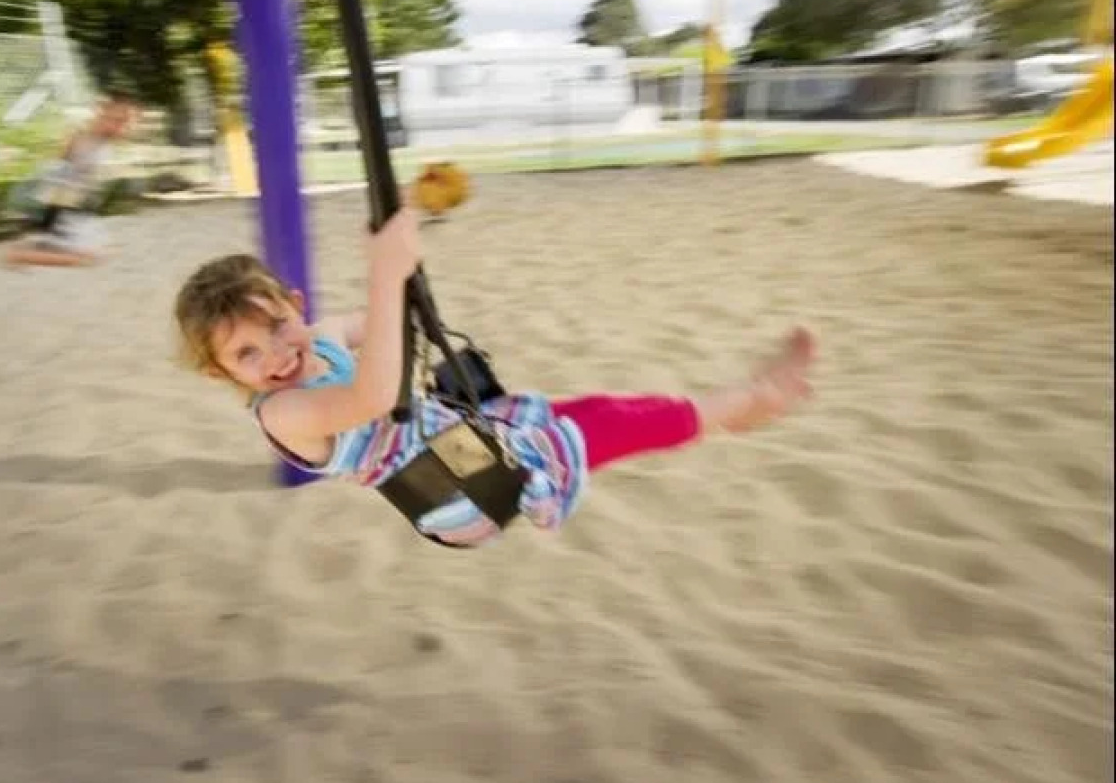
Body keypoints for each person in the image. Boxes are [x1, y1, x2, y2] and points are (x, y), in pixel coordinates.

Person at [173, 208, 816, 547]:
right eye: (247, 355)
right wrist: (386, 273)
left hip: (460, 439)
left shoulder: (319, 340)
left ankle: (729, 406)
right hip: (458, 490)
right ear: (220, 372)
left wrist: (402, 266)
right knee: (606, 426)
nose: (278, 356)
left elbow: (381, 321)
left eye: (278, 326)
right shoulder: (283, 414)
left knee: (592, 411)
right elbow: (374, 394)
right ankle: (752, 400)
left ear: (295, 304)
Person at [3, 92, 138, 268]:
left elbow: (77, 180)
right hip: (58, 206)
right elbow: (59, 179)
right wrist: (50, 223)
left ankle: (28, 250)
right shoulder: (82, 139)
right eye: (118, 120)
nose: (123, 127)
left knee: (97, 253)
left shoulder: (100, 142)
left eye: (126, 122)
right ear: (102, 114)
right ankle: (18, 254)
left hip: (67, 206)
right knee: (89, 255)